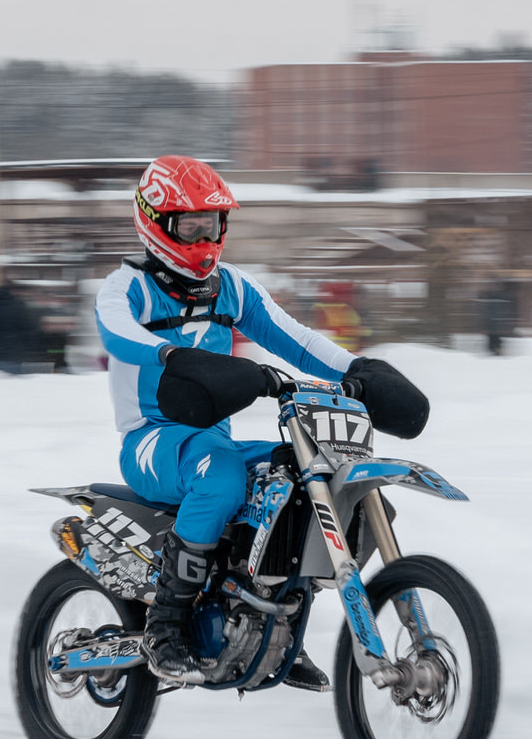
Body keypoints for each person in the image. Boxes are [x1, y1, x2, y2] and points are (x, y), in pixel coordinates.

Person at [94, 156, 428, 684]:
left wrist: (358, 371)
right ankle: (166, 626)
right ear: (155, 222)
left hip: (212, 439)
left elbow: (297, 340)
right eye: (191, 226)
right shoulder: (128, 286)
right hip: (151, 440)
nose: (205, 238)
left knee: (300, 480)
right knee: (221, 477)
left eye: (212, 224)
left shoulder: (232, 287)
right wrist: (175, 356)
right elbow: (118, 332)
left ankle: (277, 624)